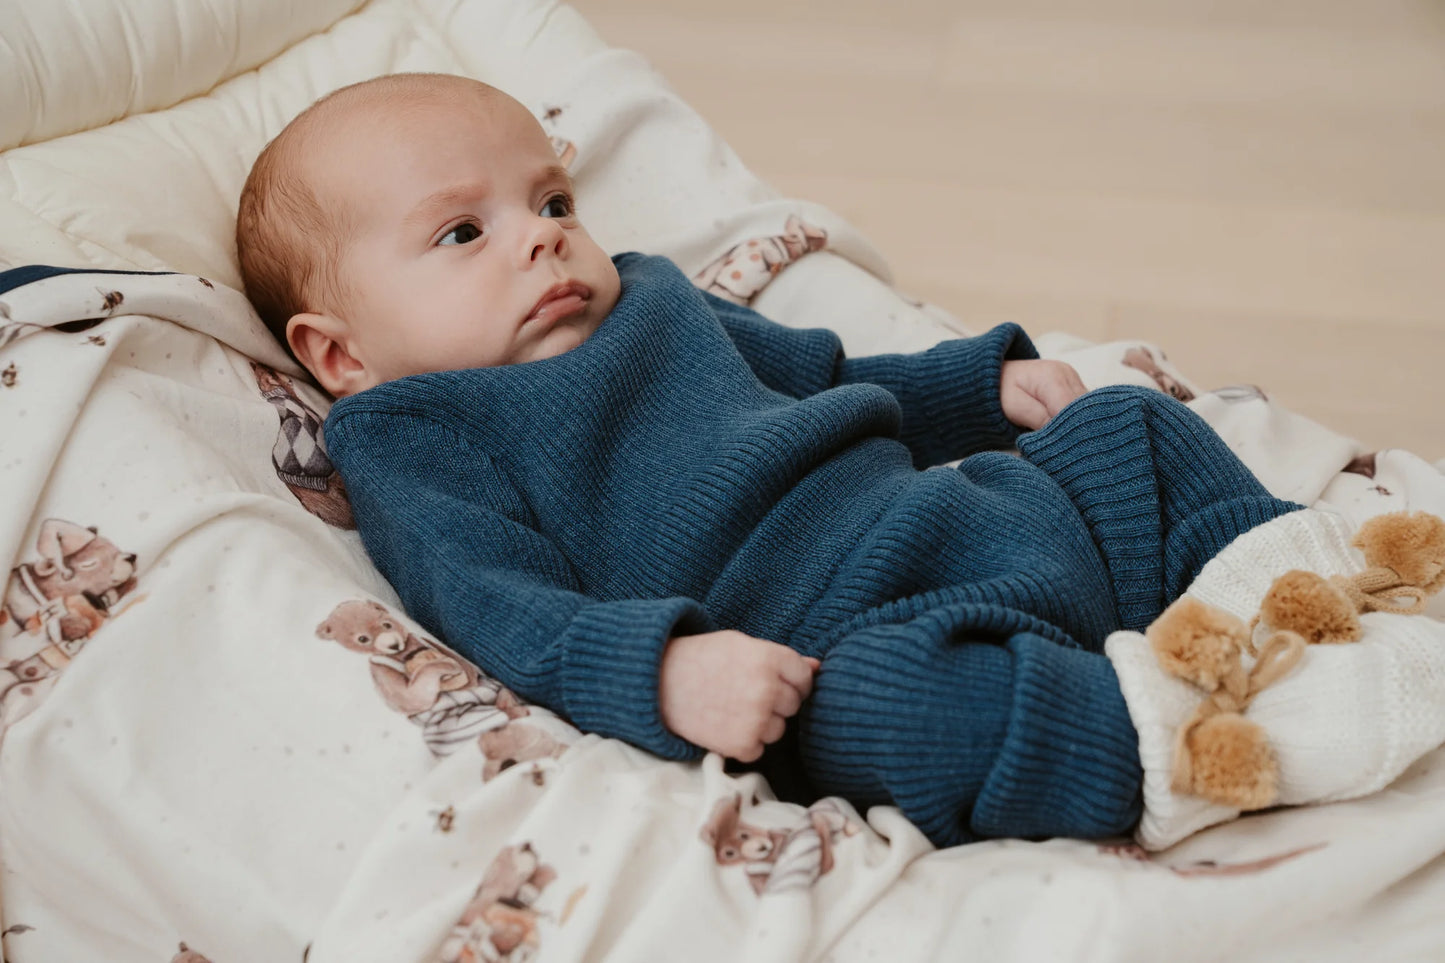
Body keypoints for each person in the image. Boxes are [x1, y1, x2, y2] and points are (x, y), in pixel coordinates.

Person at [235, 72, 1307, 849]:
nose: (541, 236)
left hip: (978, 522)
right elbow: (501, 608)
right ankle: (1187, 745)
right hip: (851, 645)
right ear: (341, 355)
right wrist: (662, 672)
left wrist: (977, 389)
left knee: (1125, 426)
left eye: (552, 202)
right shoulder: (415, 434)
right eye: (461, 233)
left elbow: (824, 371)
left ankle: (1304, 608)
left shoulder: (653, 298)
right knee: (902, 712)